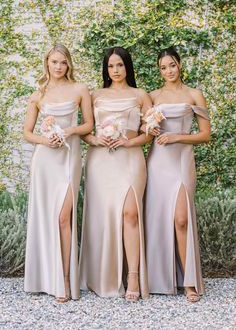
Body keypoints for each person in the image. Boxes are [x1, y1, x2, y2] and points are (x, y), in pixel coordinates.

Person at [79, 46, 152, 301]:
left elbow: (149, 132)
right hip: (101, 161)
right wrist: (95, 140)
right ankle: (106, 275)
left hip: (130, 157)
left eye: (120, 65)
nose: (116, 70)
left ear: (127, 66)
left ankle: (132, 275)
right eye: (111, 66)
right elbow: (84, 130)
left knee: (130, 213)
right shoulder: (94, 94)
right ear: (105, 69)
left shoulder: (141, 94)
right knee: (106, 218)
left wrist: (130, 143)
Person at [24, 44, 93, 302]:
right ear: (47, 63)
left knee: (64, 216)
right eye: (54, 62)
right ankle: (50, 277)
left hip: (69, 158)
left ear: (69, 64)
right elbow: (28, 132)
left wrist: (68, 131)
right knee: (49, 218)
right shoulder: (38, 94)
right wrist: (46, 140)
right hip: (45, 161)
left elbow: (88, 124)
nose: (59, 67)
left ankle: (65, 278)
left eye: (63, 62)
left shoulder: (80, 90)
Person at [144, 47, 211, 302]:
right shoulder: (152, 96)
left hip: (182, 160)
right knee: (159, 219)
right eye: (163, 67)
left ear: (179, 65)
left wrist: (177, 136)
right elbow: (145, 132)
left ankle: (189, 282)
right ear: (159, 70)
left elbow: (205, 134)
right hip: (158, 162)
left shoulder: (195, 95)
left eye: (172, 65)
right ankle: (161, 279)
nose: (168, 71)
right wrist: (149, 127)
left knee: (181, 219)